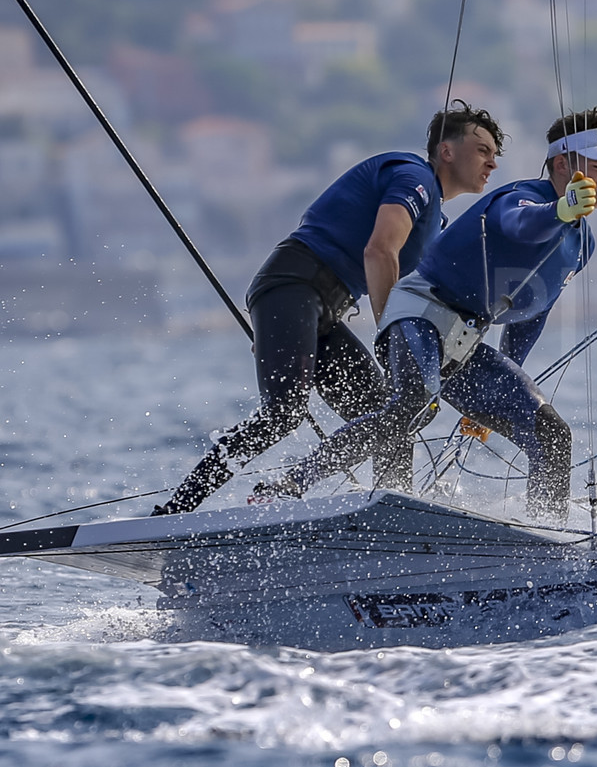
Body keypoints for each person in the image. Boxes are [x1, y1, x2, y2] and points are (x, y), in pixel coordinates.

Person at [257, 108, 597, 519]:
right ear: (563, 164)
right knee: (415, 405)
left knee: (551, 433)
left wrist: (504, 388)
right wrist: (560, 211)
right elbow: (521, 225)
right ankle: (287, 487)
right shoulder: (522, 199)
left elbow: (532, 313)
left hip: (463, 342)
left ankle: (548, 535)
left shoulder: (583, 244)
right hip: (419, 312)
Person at [152, 102, 504, 515]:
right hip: (292, 285)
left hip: (322, 308)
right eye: (483, 150)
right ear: (447, 151)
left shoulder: (433, 220)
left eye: (495, 155)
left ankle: (395, 513)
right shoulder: (414, 176)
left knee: (391, 416)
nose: (492, 163)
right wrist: (393, 339)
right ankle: (175, 511)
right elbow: (378, 252)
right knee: (285, 413)